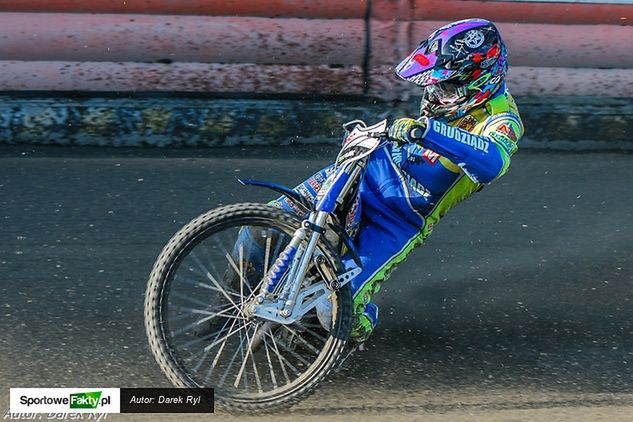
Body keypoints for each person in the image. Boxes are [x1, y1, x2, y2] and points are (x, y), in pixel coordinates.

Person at [271, 18, 524, 343]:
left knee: (332, 312)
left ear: (479, 79)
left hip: (398, 221)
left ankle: (354, 332)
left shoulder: (502, 117)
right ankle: (225, 312)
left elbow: (492, 163)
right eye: (432, 82)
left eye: (444, 85)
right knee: (261, 229)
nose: (434, 90)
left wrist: (430, 131)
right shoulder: (445, 93)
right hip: (360, 177)